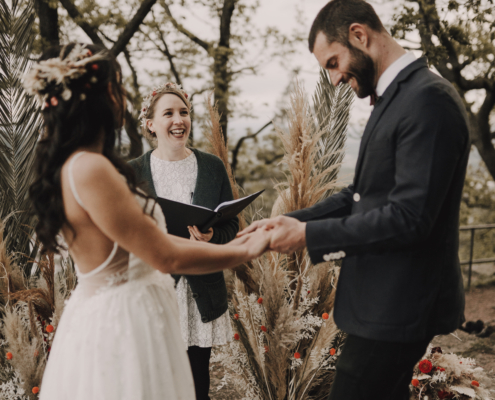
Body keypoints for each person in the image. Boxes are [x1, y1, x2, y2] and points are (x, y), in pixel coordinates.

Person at [238, 1, 469, 399]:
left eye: (333, 62)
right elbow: (360, 194)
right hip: (381, 303)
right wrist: (290, 220)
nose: (334, 79)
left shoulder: (427, 99)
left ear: (360, 35)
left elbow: (410, 217)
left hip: (401, 306)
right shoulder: (395, 97)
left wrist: (310, 234)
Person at [25, 43, 270, 400]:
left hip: (129, 313)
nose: (122, 97)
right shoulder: (91, 168)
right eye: (118, 87)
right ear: (104, 95)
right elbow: (165, 256)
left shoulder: (79, 163)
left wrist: (223, 237)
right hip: (123, 322)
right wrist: (246, 249)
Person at [129, 82, 237, 400]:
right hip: (155, 291)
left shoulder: (212, 168)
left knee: (196, 383)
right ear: (150, 124)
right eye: (169, 113)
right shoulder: (133, 173)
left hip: (199, 291)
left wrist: (212, 236)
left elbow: (231, 225)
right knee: (155, 382)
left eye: (184, 112)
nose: (179, 120)